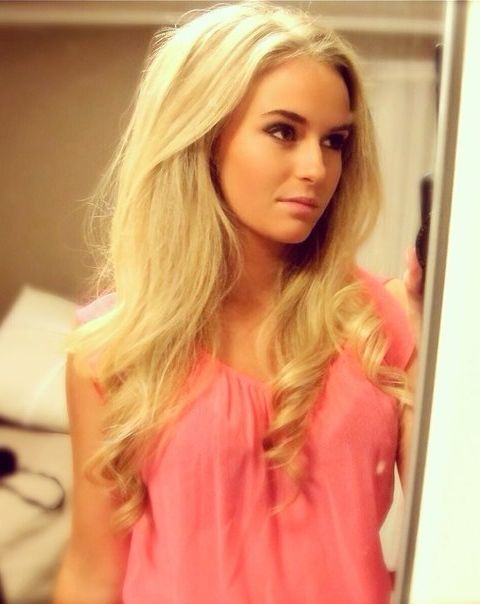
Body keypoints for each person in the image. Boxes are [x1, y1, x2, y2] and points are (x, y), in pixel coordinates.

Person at [53, 2, 423, 603]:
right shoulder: (112, 348)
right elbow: (93, 574)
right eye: (284, 132)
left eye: (334, 141)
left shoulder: (385, 324)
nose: (317, 168)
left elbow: (457, 530)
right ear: (204, 136)